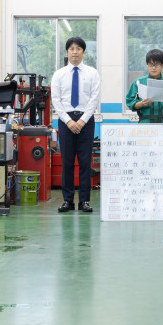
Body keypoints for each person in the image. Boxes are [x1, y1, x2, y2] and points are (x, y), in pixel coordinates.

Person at [125, 48, 163, 210]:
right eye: (151, 64)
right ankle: (144, 198)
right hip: (144, 125)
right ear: (147, 65)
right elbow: (130, 102)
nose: (153, 67)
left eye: (157, 64)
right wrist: (141, 104)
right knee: (144, 164)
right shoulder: (138, 83)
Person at [51, 37, 102, 213]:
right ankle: (68, 201)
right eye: (71, 48)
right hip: (65, 121)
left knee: (85, 162)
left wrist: (81, 121)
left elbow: (94, 99)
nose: (75, 52)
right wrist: (68, 121)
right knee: (67, 163)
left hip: (85, 121)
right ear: (67, 51)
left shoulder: (92, 73)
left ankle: (84, 201)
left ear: (83, 52)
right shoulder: (59, 74)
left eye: (78, 48)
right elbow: (56, 100)